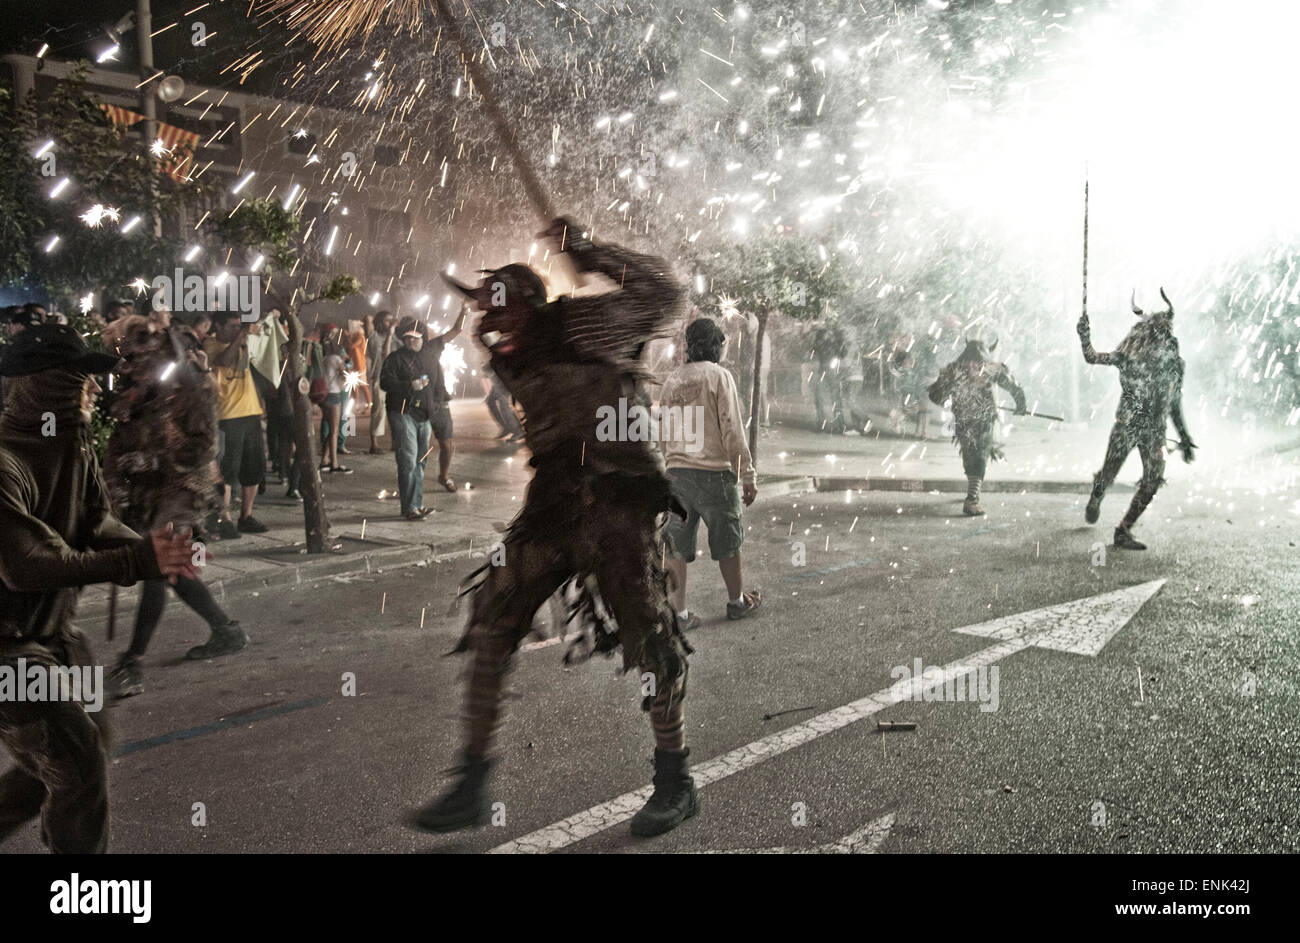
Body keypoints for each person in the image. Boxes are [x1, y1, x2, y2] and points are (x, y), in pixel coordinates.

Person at [415, 218, 697, 839]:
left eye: (497, 309)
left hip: (619, 504)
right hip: (552, 506)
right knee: (492, 616)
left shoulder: (582, 324)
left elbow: (665, 293)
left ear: (529, 307)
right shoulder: (507, 353)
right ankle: (472, 780)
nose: (484, 323)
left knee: (650, 639)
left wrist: (591, 252)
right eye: (480, 311)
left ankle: (674, 777)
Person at [0, 324, 200, 853]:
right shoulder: (4, 463)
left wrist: (151, 551)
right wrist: (136, 558)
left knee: (69, 759)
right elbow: (27, 564)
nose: (94, 389)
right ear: (44, 385)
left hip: (58, 639)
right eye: (82, 379)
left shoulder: (71, 443)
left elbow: (95, 522)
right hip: (9, 652)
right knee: (76, 761)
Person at [102, 318, 246, 699]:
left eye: (140, 357)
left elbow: (205, 448)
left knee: (157, 565)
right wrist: (118, 494)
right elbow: (115, 453)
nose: (132, 365)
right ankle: (225, 629)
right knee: (174, 571)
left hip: (184, 490)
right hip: (146, 495)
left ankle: (133, 660)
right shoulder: (132, 397)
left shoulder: (191, 391)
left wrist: (157, 460)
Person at [659, 318, 761, 628]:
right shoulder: (718, 377)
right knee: (727, 541)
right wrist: (748, 476)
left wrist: (672, 464)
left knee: (675, 544)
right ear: (716, 345)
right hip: (714, 475)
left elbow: (663, 433)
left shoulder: (672, 381)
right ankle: (736, 602)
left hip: (676, 476)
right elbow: (732, 431)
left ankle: (679, 614)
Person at [1078, 290, 1196, 550]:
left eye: (1167, 333)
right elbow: (1092, 357)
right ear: (1149, 334)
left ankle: (1123, 530)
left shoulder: (1175, 364)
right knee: (1109, 472)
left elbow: (1174, 403)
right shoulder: (1129, 356)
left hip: (1155, 432)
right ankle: (1097, 495)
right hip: (1127, 426)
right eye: (1160, 333)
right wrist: (1084, 335)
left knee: (1153, 480)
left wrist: (1185, 437)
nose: (1166, 339)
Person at [928, 336, 1027, 516]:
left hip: (982, 419)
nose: (973, 367)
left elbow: (1013, 386)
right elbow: (935, 394)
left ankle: (972, 495)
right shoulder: (956, 371)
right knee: (974, 454)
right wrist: (949, 395)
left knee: (977, 453)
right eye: (971, 362)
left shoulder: (980, 369)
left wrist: (1021, 404)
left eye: (977, 363)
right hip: (966, 419)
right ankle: (972, 498)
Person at [204, 311, 269, 537]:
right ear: (218, 327)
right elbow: (224, 361)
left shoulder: (241, 343)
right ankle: (225, 518)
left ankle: (246, 516)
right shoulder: (210, 345)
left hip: (251, 413)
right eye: (232, 327)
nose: (236, 331)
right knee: (228, 471)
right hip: (228, 416)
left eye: (239, 326)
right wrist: (239, 338)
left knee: (254, 467)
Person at [379, 317, 436, 520]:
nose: (411, 341)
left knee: (420, 461)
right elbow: (385, 383)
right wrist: (408, 386)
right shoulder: (394, 359)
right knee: (408, 461)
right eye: (407, 338)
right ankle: (409, 508)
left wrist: (434, 409)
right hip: (402, 413)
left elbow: (435, 385)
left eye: (415, 338)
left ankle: (416, 504)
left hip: (424, 416)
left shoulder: (427, 358)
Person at [417, 307, 467, 492]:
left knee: (446, 444)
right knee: (419, 447)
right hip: (419, 406)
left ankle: (444, 476)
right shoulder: (404, 355)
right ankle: (414, 482)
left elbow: (456, 330)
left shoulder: (433, 346)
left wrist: (464, 310)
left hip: (440, 404)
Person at [319, 330, 353, 474]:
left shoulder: (324, 359)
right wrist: (346, 363)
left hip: (323, 395)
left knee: (331, 428)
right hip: (334, 395)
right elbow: (345, 377)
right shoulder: (337, 359)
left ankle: (324, 460)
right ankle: (334, 464)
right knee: (334, 431)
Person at [366, 310, 398, 453]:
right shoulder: (374, 337)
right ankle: (374, 444)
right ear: (379, 322)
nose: (390, 323)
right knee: (378, 411)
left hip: (393, 380)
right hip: (379, 378)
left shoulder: (395, 338)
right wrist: (390, 333)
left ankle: (394, 443)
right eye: (386, 320)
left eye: (391, 321)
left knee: (394, 412)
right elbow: (386, 355)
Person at [810, 323, 850, 434]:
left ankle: (832, 425)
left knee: (829, 397)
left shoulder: (834, 338)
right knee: (827, 397)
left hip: (827, 368)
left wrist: (838, 340)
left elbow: (842, 353)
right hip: (825, 368)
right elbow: (842, 353)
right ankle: (834, 425)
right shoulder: (825, 337)